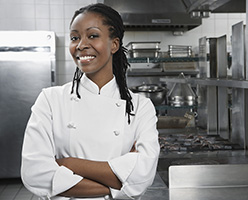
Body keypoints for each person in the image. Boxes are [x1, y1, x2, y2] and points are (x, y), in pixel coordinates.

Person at [21, 3, 160, 200]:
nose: (81, 45)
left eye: (92, 35)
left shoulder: (140, 107)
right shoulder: (50, 100)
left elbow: (142, 177)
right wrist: (117, 184)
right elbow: (34, 173)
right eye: (75, 37)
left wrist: (68, 164)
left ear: (114, 44)